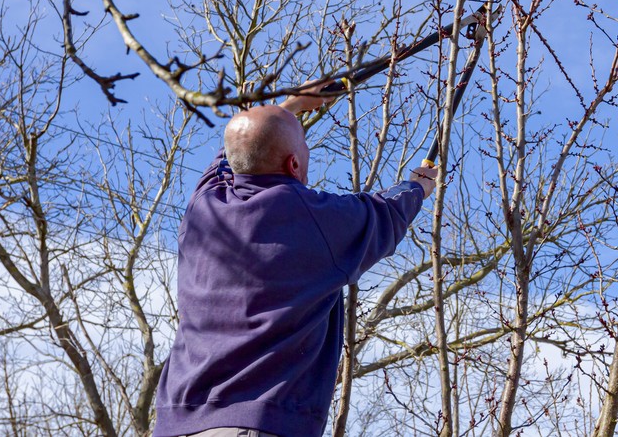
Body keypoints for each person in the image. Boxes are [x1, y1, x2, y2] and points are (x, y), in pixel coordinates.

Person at [153, 92, 438, 437]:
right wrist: (418, 187)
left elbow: (232, 153)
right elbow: (384, 214)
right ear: (293, 164)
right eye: (302, 143)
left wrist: (289, 106)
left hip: (177, 423)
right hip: (256, 424)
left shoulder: (203, 205)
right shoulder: (311, 218)